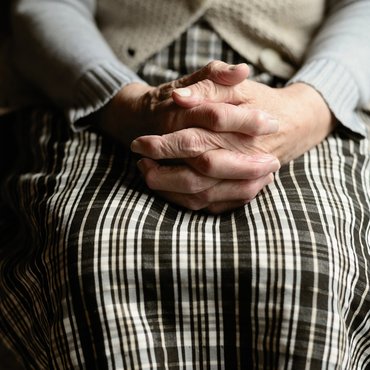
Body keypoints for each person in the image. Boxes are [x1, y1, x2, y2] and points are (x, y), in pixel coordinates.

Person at [0, 0, 369, 368]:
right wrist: (125, 104)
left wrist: (307, 108)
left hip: (303, 88)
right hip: (104, 88)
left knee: (310, 270)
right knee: (93, 260)